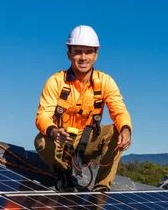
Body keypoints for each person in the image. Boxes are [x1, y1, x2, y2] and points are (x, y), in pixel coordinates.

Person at [34, 25, 132, 192]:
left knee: (117, 132)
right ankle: (64, 174)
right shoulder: (56, 81)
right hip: (62, 140)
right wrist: (53, 131)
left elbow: (119, 110)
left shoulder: (105, 82)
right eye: (78, 51)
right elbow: (43, 116)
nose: (83, 57)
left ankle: (101, 191)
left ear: (96, 55)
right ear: (69, 54)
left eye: (88, 52)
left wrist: (126, 129)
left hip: (89, 140)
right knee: (41, 141)